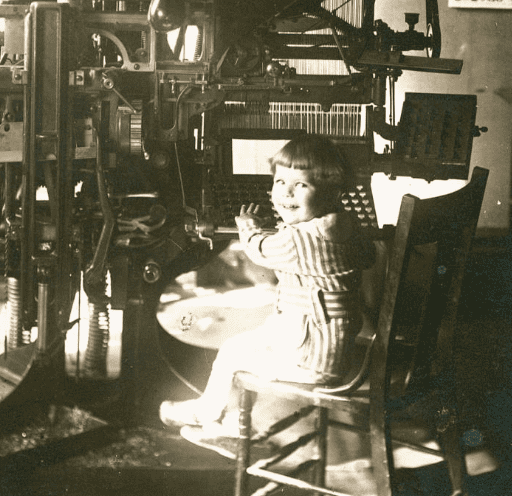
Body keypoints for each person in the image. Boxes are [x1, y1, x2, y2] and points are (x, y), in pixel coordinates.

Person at [159, 135, 375, 437]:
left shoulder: (300, 240)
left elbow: (260, 251)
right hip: (336, 347)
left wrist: (249, 227)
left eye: (301, 185)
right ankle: (227, 421)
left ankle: (211, 416)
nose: (286, 193)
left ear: (329, 193)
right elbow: (369, 255)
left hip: (313, 360)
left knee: (233, 353)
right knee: (250, 343)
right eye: (279, 182)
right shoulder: (346, 227)